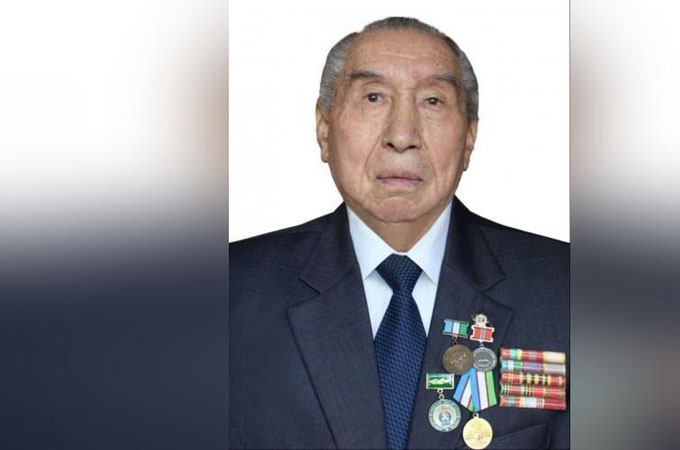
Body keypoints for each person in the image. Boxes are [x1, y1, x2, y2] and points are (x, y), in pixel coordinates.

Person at [230, 17, 569, 449]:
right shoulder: (227, 294)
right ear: (324, 128)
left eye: (432, 101)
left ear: (469, 138)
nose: (402, 135)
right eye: (373, 97)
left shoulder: (568, 291)